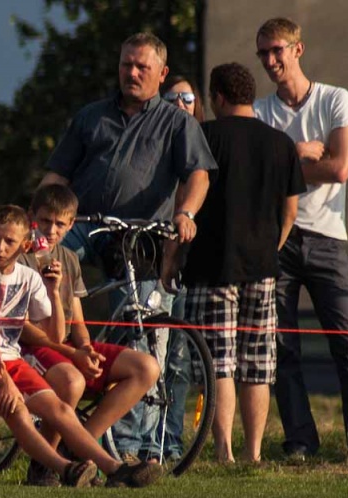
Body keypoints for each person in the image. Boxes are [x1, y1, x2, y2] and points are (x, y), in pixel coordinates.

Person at [40, 32, 217, 463]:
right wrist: (37, 227)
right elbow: (56, 177)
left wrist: (186, 214)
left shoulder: (177, 122)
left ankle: (125, 440)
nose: (132, 73)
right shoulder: (91, 117)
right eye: (126, 65)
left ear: (162, 73)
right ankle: (44, 360)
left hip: (140, 234)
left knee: (137, 325)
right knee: (43, 275)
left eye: (141, 67)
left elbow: (199, 175)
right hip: (83, 224)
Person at [253, 17, 348, 464]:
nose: (270, 61)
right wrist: (298, 153)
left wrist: (280, 166)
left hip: (327, 239)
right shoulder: (258, 112)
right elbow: (255, 177)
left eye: (277, 51)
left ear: (298, 50)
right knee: (282, 345)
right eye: (263, 54)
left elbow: (339, 169)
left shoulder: (335, 100)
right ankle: (300, 443)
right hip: (279, 239)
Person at [0, 205, 164, 488]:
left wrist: (53, 292)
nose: (0, 247)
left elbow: (55, 335)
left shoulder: (31, 276)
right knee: (19, 409)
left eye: (9, 241)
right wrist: (5, 379)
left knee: (59, 409)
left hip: (12, 359)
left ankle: (113, 468)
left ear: (23, 244)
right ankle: (64, 468)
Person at [169, 63, 304, 462]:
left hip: (211, 267)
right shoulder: (281, 144)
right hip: (262, 269)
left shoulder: (204, 137)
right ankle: (253, 452)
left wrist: (171, 258)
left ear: (218, 97)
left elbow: (183, 201)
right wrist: (270, 248)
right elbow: (291, 212)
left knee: (218, 363)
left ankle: (224, 450)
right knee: (258, 365)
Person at [18, 184, 161, 485]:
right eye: (45, 221)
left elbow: (78, 320)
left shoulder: (69, 257)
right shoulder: (20, 257)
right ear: (32, 218)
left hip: (68, 344)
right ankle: (44, 463)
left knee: (146, 367)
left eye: (60, 224)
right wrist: (74, 354)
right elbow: (22, 327)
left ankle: (79, 452)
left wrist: (86, 348)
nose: (52, 230)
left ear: (72, 225)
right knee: (73, 381)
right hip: (33, 345)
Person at [157, 75, 205, 461]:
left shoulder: (199, 152)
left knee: (179, 362)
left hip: (188, 272)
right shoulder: (155, 148)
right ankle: (141, 442)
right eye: (173, 98)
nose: (181, 104)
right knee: (150, 358)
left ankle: (170, 440)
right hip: (153, 267)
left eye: (188, 98)